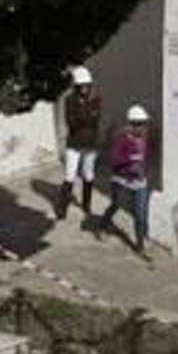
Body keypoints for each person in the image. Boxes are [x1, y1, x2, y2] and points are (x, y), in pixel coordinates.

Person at [99, 104, 151, 253]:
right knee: (116, 205)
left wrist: (141, 169)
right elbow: (114, 159)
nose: (142, 128)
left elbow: (143, 158)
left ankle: (140, 245)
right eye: (139, 124)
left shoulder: (144, 138)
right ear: (131, 124)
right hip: (121, 181)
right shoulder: (121, 139)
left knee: (140, 214)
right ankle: (103, 225)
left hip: (140, 182)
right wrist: (129, 160)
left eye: (143, 124)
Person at [57, 66, 102, 220]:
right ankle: (62, 209)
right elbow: (71, 122)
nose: (84, 88)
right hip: (74, 142)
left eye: (86, 85)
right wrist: (87, 115)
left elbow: (96, 120)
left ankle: (86, 204)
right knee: (69, 175)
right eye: (81, 85)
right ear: (76, 86)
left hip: (90, 143)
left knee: (88, 174)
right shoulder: (69, 99)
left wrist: (82, 116)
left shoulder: (96, 98)